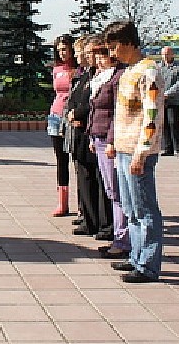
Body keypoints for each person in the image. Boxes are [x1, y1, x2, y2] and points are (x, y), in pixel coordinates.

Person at [103, 20, 165, 283]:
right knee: (130, 208)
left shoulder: (149, 72)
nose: (112, 53)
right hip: (124, 150)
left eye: (115, 47)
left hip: (139, 153)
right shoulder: (129, 71)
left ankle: (148, 266)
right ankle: (136, 256)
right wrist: (116, 145)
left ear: (129, 43)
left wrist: (142, 152)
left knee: (145, 209)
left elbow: (152, 116)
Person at [87, 38, 129, 259]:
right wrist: (92, 137)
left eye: (102, 55)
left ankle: (122, 240)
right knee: (112, 191)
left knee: (117, 192)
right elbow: (95, 109)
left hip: (110, 140)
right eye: (97, 56)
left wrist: (111, 140)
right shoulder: (101, 77)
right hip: (99, 137)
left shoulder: (118, 77)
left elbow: (116, 112)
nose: (98, 60)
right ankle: (119, 237)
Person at [65, 36, 103, 236]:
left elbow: (93, 103)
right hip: (79, 129)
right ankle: (88, 218)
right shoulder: (85, 75)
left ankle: (96, 221)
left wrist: (78, 114)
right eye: (84, 53)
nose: (84, 56)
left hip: (91, 131)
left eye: (87, 53)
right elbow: (74, 98)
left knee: (94, 178)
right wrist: (71, 113)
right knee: (84, 176)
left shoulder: (100, 76)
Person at [48, 34, 76, 217]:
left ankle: (86, 204)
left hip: (73, 116)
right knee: (61, 159)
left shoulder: (80, 69)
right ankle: (62, 202)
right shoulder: (56, 69)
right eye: (59, 50)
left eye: (65, 49)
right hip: (56, 115)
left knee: (79, 160)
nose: (62, 53)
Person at [159, 46, 179, 159]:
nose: (165, 56)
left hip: (173, 100)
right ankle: (168, 148)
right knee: (164, 124)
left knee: (173, 123)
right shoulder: (158, 67)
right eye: (163, 54)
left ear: (172, 54)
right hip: (160, 100)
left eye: (167, 54)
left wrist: (167, 94)